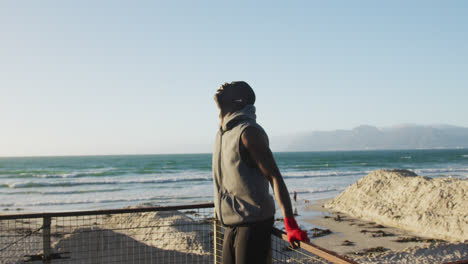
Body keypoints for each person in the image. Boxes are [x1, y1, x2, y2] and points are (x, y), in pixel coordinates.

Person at [213, 81, 308, 264]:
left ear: (238, 101)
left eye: (230, 86)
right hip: (231, 223)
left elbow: (274, 176)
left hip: (253, 224)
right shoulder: (223, 133)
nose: (224, 85)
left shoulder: (248, 132)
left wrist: (290, 224)